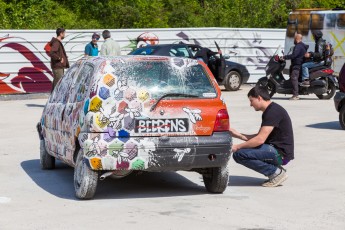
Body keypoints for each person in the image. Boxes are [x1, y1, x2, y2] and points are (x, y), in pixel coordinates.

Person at [230, 86, 294, 187]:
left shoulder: (272, 112)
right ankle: (276, 170)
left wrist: (237, 146)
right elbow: (259, 137)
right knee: (242, 151)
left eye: (251, 100)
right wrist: (237, 134)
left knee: (239, 154)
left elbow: (260, 140)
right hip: (274, 150)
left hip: (280, 154)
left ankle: (276, 173)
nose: (250, 104)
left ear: (259, 98)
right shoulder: (271, 110)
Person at [281, 33, 308, 100]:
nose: (294, 40)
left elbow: (294, 55)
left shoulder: (298, 46)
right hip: (299, 64)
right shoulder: (302, 46)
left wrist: (284, 57)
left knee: (294, 78)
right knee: (294, 78)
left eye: (294, 39)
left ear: (296, 39)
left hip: (297, 65)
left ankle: (295, 95)